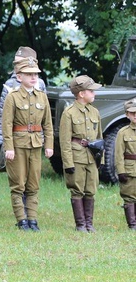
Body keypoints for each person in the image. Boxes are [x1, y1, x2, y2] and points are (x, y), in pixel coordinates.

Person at [1, 56, 53, 231]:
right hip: (18, 144)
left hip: (36, 144)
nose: (33, 77)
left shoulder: (42, 97)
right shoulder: (12, 97)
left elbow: (48, 124)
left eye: (35, 74)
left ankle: (32, 219)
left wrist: (49, 145)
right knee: (18, 183)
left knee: (33, 183)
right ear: (19, 76)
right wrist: (8, 147)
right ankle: (21, 219)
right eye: (28, 74)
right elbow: (6, 124)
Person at [59, 75, 103, 232]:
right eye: (91, 91)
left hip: (92, 157)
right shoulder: (69, 113)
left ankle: (89, 224)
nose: (94, 94)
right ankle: (80, 224)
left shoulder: (95, 112)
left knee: (91, 189)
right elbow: (65, 141)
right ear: (81, 93)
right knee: (77, 189)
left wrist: (101, 160)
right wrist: (68, 163)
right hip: (76, 156)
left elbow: (100, 138)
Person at [0, 46, 47, 172]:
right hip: (16, 138)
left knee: (32, 175)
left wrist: (43, 140)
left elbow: (44, 116)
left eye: (20, 62)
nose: (17, 65)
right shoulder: (10, 84)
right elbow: (3, 115)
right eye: (16, 62)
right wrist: (0, 141)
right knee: (17, 174)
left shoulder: (40, 84)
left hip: (34, 138)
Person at [114, 98, 136, 230]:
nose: (135, 115)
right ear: (127, 114)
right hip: (130, 170)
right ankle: (132, 224)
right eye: (132, 113)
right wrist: (121, 171)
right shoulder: (123, 132)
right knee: (129, 196)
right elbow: (118, 154)